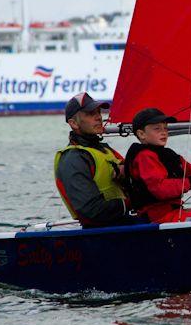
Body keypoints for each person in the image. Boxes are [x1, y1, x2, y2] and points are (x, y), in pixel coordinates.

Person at [54, 92, 145, 228]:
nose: (98, 117)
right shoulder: (73, 158)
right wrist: (134, 201)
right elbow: (92, 210)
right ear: (73, 123)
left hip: (126, 223)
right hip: (104, 232)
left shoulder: (105, 150)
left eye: (98, 112)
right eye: (90, 114)